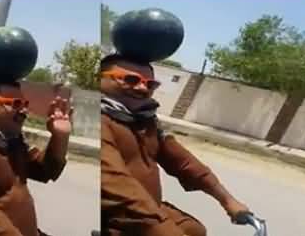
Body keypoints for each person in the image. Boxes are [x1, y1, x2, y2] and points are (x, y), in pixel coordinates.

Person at [100, 54, 250, 236]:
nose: (142, 87)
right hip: (117, 216)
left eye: (150, 84)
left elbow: (184, 163)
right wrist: (162, 227)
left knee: (194, 230)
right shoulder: (101, 121)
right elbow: (116, 184)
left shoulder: (145, 121)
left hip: (148, 211)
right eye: (130, 79)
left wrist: (227, 200)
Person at [0, 77, 72, 236]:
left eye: (25, 105)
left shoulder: (12, 143)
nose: (24, 111)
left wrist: (60, 136)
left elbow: (47, 170)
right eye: (15, 104)